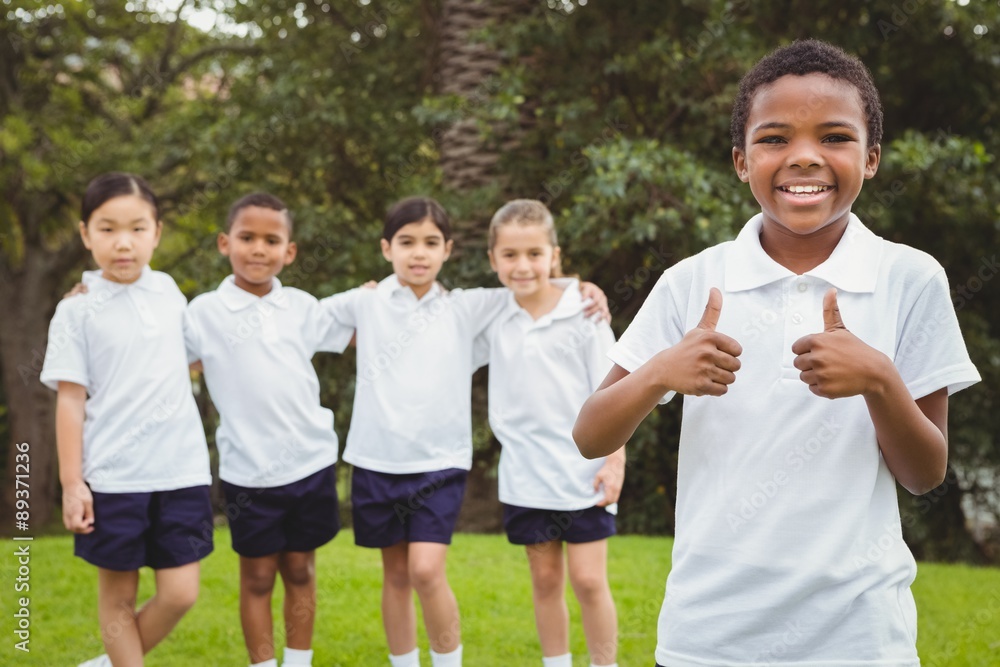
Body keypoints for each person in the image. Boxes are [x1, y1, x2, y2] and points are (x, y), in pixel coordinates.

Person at [573, 39, 981, 667]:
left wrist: (878, 379)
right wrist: (661, 373)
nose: (805, 157)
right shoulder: (692, 280)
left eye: (835, 137)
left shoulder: (911, 278)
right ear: (741, 160)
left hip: (860, 638)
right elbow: (591, 435)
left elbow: (925, 473)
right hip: (707, 636)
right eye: (774, 139)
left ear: (871, 159)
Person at [322, 196, 609, 667]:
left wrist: (583, 288)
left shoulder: (470, 308)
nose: (418, 253)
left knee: (426, 570)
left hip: (440, 464)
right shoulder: (366, 302)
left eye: (430, 242)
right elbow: (306, 325)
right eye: (407, 242)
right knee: (394, 577)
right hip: (375, 461)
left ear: (449, 250)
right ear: (385, 248)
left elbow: (536, 284)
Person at [40, 172, 213, 667]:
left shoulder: (171, 293)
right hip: (113, 477)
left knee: (181, 593)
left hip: (181, 471)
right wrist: (73, 484)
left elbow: (198, 356)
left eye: (137, 229)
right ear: (85, 234)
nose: (123, 243)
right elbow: (70, 401)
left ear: (157, 233)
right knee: (117, 596)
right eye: (107, 228)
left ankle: (110, 662)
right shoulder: (76, 311)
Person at [184, 193, 354, 667]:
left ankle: (298, 661)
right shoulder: (202, 313)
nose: (259, 249)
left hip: (310, 463)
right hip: (248, 472)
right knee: (257, 577)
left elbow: (365, 324)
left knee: (300, 569)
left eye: (271, 240)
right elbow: (155, 350)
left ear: (289, 251)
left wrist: (383, 295)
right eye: (247, 238)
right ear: (225, 242)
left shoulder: (303, 307)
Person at [479, 199, 622, 667]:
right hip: (525, 476)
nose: (523, 266)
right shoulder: (491, 316)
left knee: (587, 580)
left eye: (535, 254)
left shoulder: (585, 312)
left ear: (554, 255)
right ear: (493, 260)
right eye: (511, 255)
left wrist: (615, 461)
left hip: (585, 473)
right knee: (544, 582)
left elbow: (614, 392)